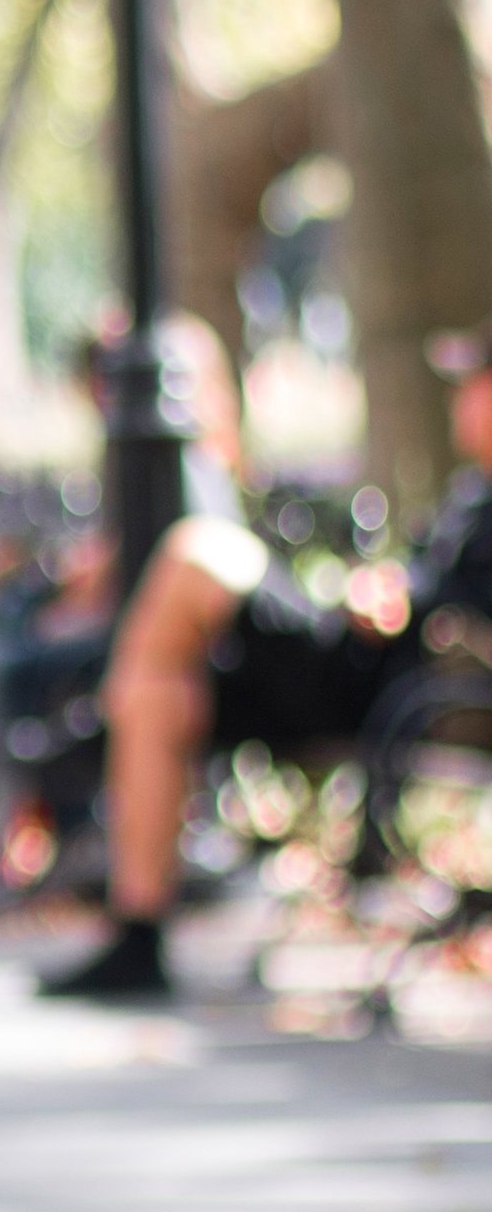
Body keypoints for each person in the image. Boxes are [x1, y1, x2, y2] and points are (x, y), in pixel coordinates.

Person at [44, 325, 492, 1000]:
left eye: (474, 383)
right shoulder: (473, 495)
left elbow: (448, 613)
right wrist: (383, 585)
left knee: (199, 553)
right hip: (355, 658)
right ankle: (137, 935)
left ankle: (100, 713)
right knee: (159, 695)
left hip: (380, 683)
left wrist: (414, 607)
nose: (461, 398)